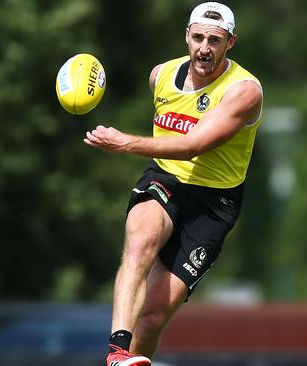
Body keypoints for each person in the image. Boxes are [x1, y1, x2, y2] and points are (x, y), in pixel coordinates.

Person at [84, 2, 263, 365]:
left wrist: (125, 143)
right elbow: (173, 153)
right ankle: (117, 351)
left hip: (215, 204)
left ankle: (132, 356)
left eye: (215, 40)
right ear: (186, 36)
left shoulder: (244, 91)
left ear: (231, 42)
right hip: (164, 178)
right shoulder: (161, 75)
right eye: (198, 38)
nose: (204, 49)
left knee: (151, 317)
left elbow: (194, 145)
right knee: (140, 242)